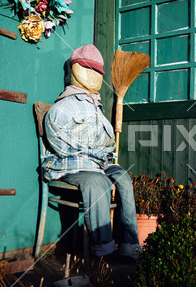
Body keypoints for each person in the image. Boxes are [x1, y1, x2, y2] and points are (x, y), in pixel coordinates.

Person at [42, 44, 140, 260]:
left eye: (98, 71)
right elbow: (59, 143)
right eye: (89, 69)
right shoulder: (63, 108)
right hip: (72, 166)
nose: (94, 76)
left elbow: (106, 143)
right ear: (75, 69)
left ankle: (128, 244)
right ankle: (102, 251)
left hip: (98, 165)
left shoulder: (97, 108)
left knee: (123, 178)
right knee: (98, 182)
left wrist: (101, 155)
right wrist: (92, 156)